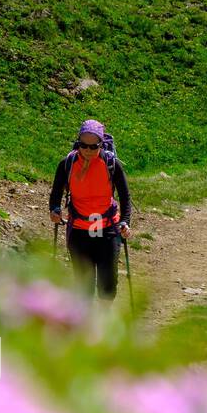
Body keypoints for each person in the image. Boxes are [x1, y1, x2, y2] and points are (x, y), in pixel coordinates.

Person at [48, 119, 132, 302]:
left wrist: (125, 221)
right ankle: (85, 325)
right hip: (79, 229)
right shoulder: (67, 164)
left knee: (108, 280)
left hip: (108, 229)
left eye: (93, 147)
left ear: (101, 145)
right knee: (83, 282)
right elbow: (56, 193)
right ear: (78, 143)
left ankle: (103, 322)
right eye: (83, 145)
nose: (87, 150)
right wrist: (54, 210)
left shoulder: (112, 164)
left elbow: (125, 197)